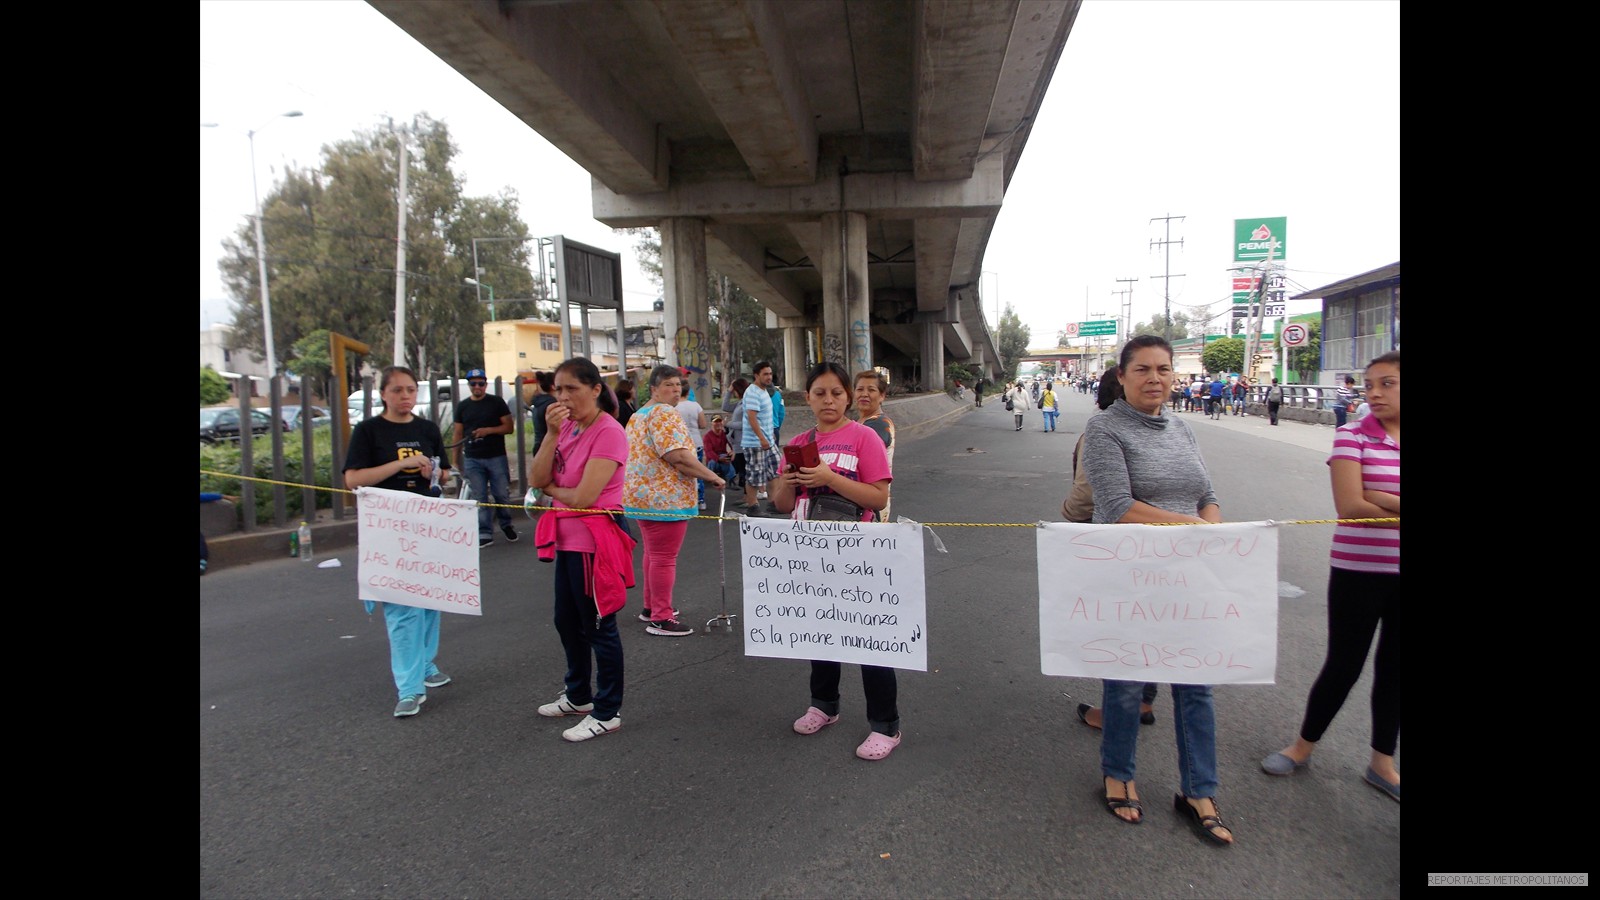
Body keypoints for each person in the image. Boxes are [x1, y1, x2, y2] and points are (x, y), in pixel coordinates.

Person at [1081, 335, 1233, 844]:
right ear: (1121, 377)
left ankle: (1199, 790)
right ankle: (1118, 774)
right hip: (1130, 579)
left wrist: (1208, 526)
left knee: (1197, 686)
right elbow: (1118, 506)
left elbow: (1208, 496)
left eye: (1163, 369)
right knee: (1125, 686)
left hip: (1188, 579)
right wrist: (1194, 528)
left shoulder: (1184, 429)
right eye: (1142, 369)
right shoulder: (1104, 429)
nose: (1155, 378)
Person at [1261, 351, 1400, 802]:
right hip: (1358, 571)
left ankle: (1382, 763)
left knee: (1395, 671)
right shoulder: (1350, 436)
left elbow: (1370, 500)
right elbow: (1351, 507)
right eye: (1369, 384)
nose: (1374, 393)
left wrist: (1382, 495)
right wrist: (1371, 498)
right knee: (1344, 664)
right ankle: (1302, 747)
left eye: (1387, 384)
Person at [768, 362, 896, 760]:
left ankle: (886, 725)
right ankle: (824, 705)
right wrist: (787, 483)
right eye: (820, 393)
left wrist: (829, 475)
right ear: (807, 397)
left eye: (836, 393)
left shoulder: (865, 438)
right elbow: (781, 504)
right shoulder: (798, 441)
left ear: (847, 397)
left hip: (858, 554)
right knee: (819, 631)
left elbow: (878, 498)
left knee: (868, 638)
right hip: (809, 556)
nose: (828, 400)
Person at [528, 357, 634, 742]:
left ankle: (608, 710)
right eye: (558, 389)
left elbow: (586, 497)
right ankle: (578, 696)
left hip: (595, 543)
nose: (563, 397)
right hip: (566, 540)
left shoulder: (609, 432)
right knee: (566, 621)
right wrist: (551, 434)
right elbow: (536, 477)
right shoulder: (565, 428)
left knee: (598, 626)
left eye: (571, 388)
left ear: (594, 390)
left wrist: (553, 491)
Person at [342, 365, 455, 718]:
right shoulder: (368, 430)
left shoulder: (426, 429)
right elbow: (354, 479)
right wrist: (396, 465)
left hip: (426, 524)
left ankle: (424, 665)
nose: (405, 396)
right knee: (402, 608)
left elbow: (445, 473)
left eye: (410, 390)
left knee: (430, 599)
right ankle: (408, 688)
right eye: (398, 391)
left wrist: (432, 472)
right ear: (383, 395)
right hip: (389, 528)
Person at [1062, 375, 1159, 730]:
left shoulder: (1102, 433)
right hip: (1164, 548)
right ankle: (1144, 700)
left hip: (1115, 545)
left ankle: (1118, 711)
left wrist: (1068, 513)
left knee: (1118, 628)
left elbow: (1086, 494)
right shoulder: (1165, 430)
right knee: (1149, 624)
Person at [624, 365, 727, 637]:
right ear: (654, 389)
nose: (675, 390)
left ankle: (651, 607)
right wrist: (711, 476)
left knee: (653, 554)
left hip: (641, 497)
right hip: (665, 498)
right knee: (664, 558)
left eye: (678, 385)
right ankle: (661, 616)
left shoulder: (637, 415)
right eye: (668, 384)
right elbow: (677, 456)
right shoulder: (664, 413)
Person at [452, 369, 518, 547]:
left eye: (481, 383)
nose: (477, 387)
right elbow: (458, 433)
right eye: (473, 384)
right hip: (473, 457)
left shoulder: (496, 402)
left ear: (485, 385)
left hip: (495, 456)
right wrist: (455, 459)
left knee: (501, 494)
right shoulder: (463, 406)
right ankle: (485, 531)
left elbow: (508, 427)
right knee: (479, 496)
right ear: (469, 386)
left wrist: (488, 431)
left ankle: (506, 524)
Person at [854, 369, 896, 522]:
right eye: (859, 389)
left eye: (871, 390)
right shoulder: (861, 423)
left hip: (870, 508)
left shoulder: (879, 424)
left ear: (882, 396)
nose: (864, 394)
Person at [741, 361, 778, 511]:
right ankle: (752, 506)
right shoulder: (752, 392)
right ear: (757, 376)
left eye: (770, 374)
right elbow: (752, 418)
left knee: (776, 470)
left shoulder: (764, 391)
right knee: (755, 476)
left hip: (768, 441)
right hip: (755, 443)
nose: (769, 377)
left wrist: (770, 437)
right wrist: (762, 438)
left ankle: (773, 502)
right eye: (765, 374)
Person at [673, 375, 711, 511]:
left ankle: (684, 500)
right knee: (698, 471)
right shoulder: (696, 406)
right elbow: (703, 424)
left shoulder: (673, 408)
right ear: (689, 392)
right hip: (696, 442)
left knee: (681, 472)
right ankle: (701, 500)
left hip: (681, 443)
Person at [724, 378, 749, 491]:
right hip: (737, 441)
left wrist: (729, 423)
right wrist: (728, 392)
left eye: (734, 390)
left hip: (743, 440)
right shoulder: (740, 402)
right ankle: (746, 496)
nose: (733, 392)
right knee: (741, 468)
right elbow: (725, 407)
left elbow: (745, 424)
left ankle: (748, 496)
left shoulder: (746, 403)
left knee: (744, 469)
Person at [703, 415, 736, 484]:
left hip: (723, 456)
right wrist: (718, 458)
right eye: (715, 422)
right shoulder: (707, 436)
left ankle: (731, 479)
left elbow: (733, 444)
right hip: (713, 459)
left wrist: (733, 452)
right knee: (712, 461)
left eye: (719, 421)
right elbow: (709, 452)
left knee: (726, 458)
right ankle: (711, 478)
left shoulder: (725, 434)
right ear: (711, 423)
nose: (718, 423)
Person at [528, 370, 556, 448]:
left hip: (539, 444)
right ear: (553, 386)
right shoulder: (552, 404)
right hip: (549, 446)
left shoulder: (539, 402)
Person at [767, 376, 787, 445]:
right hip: (774, 427)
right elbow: (781, 413)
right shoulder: (778, 395)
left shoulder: (758, 394)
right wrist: (777, 427)